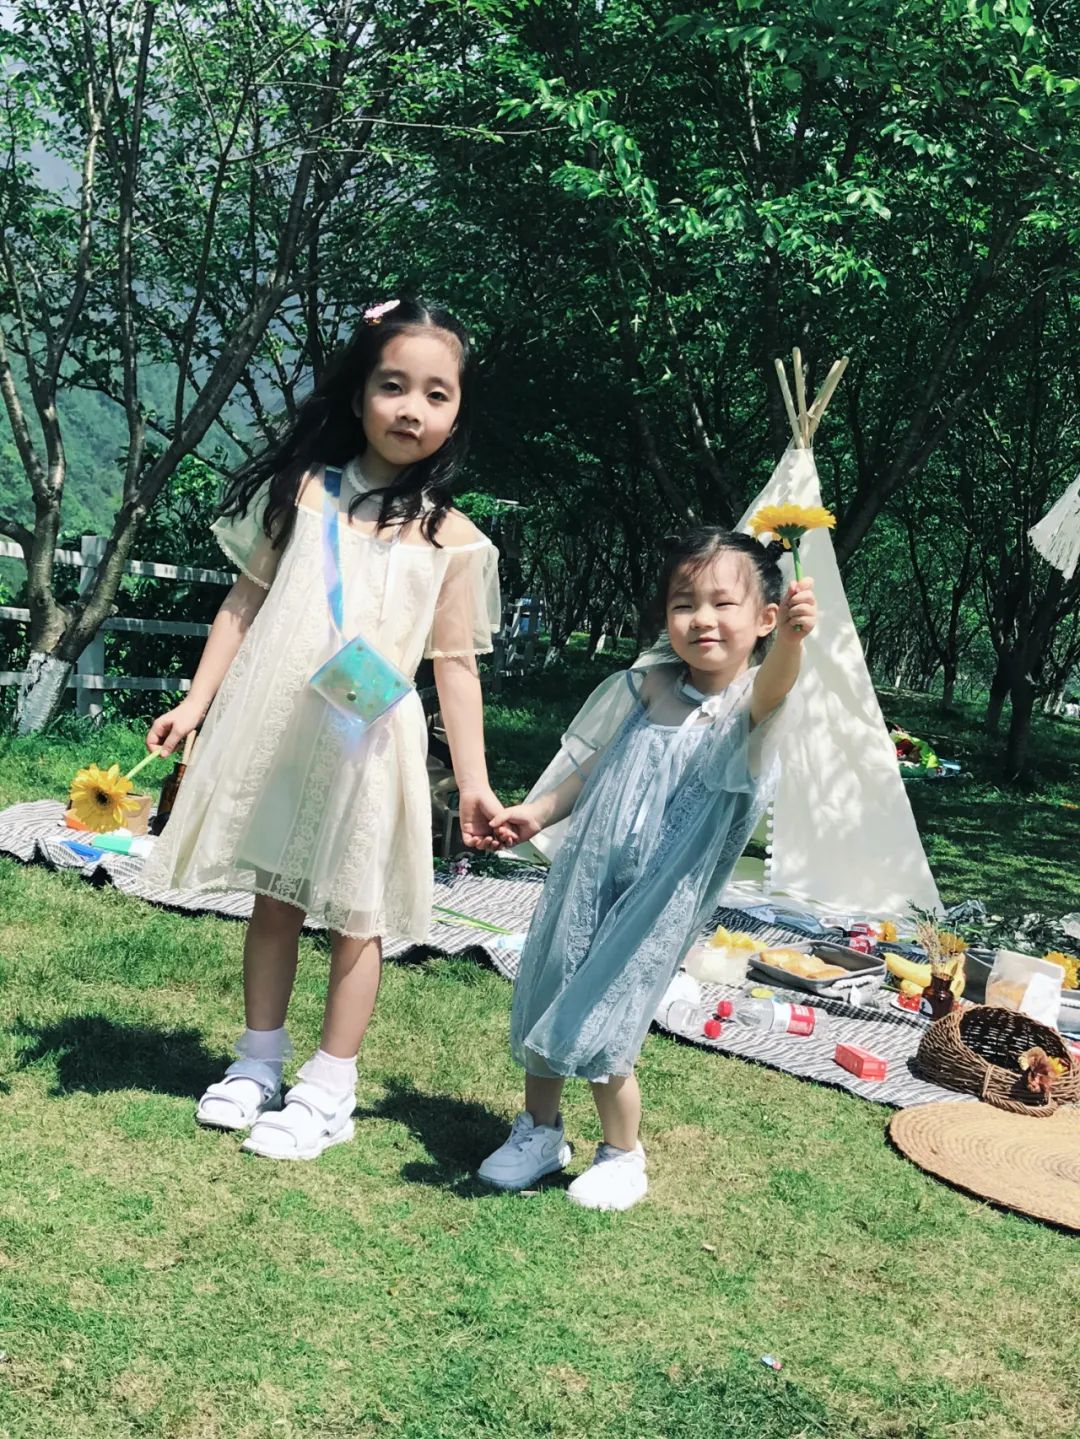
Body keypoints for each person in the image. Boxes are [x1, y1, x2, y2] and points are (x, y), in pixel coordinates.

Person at [141, 298, 502, 1159]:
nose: (411, 409)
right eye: (392, 386)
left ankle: (330, 1086)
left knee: (356, 911)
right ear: (358, 394)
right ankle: (256, 1060)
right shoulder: (306, 494)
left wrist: (477, 782)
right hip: (287, 726)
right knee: (275, 894)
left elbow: (456, 666)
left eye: (437, 394)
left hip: (372, 743)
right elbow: (244, 602)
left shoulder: (454, 541)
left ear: (457, 416)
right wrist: (195, 704)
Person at [477, 528, 816, 1210]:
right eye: (684, 603)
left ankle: (622, 1153)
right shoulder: (648, 686)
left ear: (764, 618)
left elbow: (777, 684)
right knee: (551, 981)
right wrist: (539, 812)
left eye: (723, 603)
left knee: (610, 1008)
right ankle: (539, 1131)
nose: (702, 618)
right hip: (589, 874)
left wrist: (792, 644)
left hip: (661, 893)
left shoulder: (750, 709)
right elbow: (593, 768)